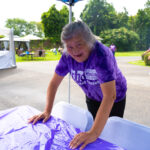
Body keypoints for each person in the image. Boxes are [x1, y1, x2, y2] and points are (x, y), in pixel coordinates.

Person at [28, 21, 127, 150]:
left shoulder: (101, 54)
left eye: (79, 45)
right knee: (95, 133)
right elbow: (54, 83)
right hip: (92, 96)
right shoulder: (67, 56)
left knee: (110, 134)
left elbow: (110, 96)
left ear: (89, 41)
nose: (74, 51)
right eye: (69, 46)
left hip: (115, 98)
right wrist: (47, 110)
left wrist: (93, 133)